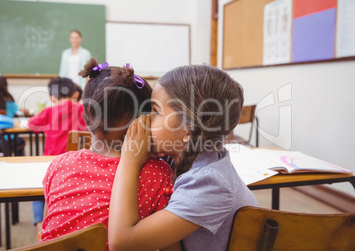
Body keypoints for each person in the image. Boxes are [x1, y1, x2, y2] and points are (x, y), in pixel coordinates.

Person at [108, 65, 259, 251]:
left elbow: (122, 242)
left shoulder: (210, 183)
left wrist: (129, 159)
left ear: (188, 129)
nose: (145, 118)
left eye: (155, 111)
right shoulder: (191, 158)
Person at [40, 58, 174, 250]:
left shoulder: (59, 164)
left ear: (85, 117)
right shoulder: (159, 173)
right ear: (145, 123)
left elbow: (48, 229)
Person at [28, 77, 86, 236]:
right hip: (77, 165)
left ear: (51, 97)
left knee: (40, 191)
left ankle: (41, 226)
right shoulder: (82, 109)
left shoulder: (48, 111)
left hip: (50, 163)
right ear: (74, 94)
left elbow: (32, 124)